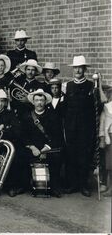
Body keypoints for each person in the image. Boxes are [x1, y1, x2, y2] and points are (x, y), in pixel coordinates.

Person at [21, 89, 64, 197]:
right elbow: (23, 135)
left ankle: (54, 186)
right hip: (32, 147)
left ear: (45, 102)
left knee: (57, 157)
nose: (39, 103)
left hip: (48, 147)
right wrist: (32, 147)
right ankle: (22, 185)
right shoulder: (26, 116)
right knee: (19, 156)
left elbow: (57, 135)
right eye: (37, 100)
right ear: (33, 102)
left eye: (41, 100)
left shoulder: (53, 116)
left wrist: (47, 147)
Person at [63, 55, 96, 197]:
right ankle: (73, 184)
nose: (77, 70)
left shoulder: (91, 85)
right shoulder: (67, 86)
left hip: (85, 127)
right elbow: (64, 108)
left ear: (84, 69)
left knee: (84, 155)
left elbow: (95, 106)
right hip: (71, 126)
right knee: (71, 155)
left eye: (80, 68)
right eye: (75, 68)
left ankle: (84, 185)